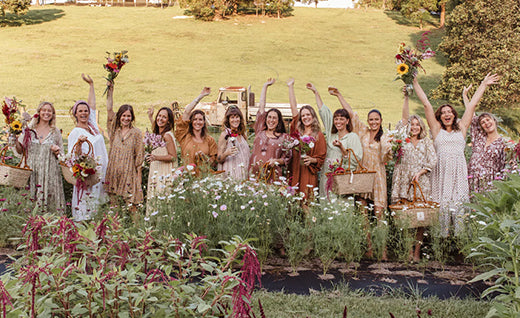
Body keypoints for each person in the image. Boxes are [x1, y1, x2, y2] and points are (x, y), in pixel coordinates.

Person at [413, 73, 500, 236]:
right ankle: (441, 244)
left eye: (449, 112)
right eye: (443, 112)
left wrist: (483, 85)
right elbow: (426, 105)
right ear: (440, 116)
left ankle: (460, 244)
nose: (447, 114)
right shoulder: (436, 130)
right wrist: (415, 82)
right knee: (442, 206)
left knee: (460, 206)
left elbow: (472, 105)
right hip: (441, 173)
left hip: (459, 173)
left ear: (454, 115)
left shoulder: (462, 128)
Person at [329, 87, 392, 217]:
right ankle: (366, 237)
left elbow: (386, 156)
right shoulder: (364, 132)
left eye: (376, 119)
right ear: (368, 121)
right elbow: (351, 115)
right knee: (362, 209)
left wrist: (391, 147)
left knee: (379, 210)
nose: (373, 122)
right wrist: (339, 95)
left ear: (381, 120)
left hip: (377, 175)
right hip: (362, 173)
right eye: (371, 119)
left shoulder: (384, 137)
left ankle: (380, 236)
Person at [390, 89, 437, 262]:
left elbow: (433, 159)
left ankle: (417, 251)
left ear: (421, 127)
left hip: (420, 181)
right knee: (406, 217)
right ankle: (407, 251)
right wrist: (406, 97)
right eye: (412, 124)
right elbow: (404, 118)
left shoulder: (426, 141)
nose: (414, 127)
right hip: (404, 180)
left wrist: (421, 172)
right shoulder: (403, 139)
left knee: (420, 217)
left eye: (417, 124)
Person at [307, 83, 363, 198]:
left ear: (347, 121)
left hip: (343, 178)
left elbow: (356, 159)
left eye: (341, 119)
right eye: (336, 119)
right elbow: (324, 112)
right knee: (326, 203)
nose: (338, 122)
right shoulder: (331, 134)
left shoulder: (353, 137)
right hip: (327, 176)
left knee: (340, 206)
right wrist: (315, 92)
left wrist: (342, 148)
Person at [67, 74, 108, 221]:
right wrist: (79, 143)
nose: (84, 113)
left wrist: (91, 84)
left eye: (86, 111)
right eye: (80, 111)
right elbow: (73, 156)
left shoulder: (92, 127)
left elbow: (92, 105)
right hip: (87, 176)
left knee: (98, 207)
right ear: (75, 115)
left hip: (99, 175)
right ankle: (82, 231)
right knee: (86, 204)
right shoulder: (76, 132)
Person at [14, 102, 65, 213]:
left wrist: (57, 152)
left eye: (49, 111)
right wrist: (15, 138)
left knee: (49, 201)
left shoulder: (55, 132)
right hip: (31, 171)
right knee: (30, 198)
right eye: (44, 110)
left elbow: (62, 156)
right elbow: (20, 150)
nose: (46, 113)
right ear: (39, 112)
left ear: (53, 114)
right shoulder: (29, 130)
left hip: (49, 172)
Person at [104, 83, 144, 210]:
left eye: (128, 116)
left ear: (132, 117)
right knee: (114, 205)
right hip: (114, 171)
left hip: (129, 172)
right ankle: (115, 228)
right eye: (124, 115)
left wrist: (138, 179)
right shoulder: (114, 131)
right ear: (119, 116)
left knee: (133, 205)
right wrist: (110, 90)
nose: (126, 118)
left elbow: (139, 156)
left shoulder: (136, 133)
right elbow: (109, 110)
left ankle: (136, 229)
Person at [287, 78, 327, 200]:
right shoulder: (297, 131)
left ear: (313, 116)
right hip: (295, 169)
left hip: (308, 172)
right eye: (303, 115)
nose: (305, 117)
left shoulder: (318, 135)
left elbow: (321, 157)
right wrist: (290, 87)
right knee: (293, 202)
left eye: (308, 114)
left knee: (307, 202)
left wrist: (312, 159)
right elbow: (293, 109)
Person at [463, 87, 505, 194]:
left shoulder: (503, 143)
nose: (486, 123)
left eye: (488, 120)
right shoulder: (479, 137)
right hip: (471, 179)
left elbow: (504, 166)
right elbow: (471, 113)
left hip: (488, 183)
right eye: (482, 122)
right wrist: (465, 96)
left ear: (494, 121)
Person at [249, 78, 292, 182]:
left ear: (279, 121)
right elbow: (261, 108)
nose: (271, 120)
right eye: (269, 117)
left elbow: (287, 158)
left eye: (274, 118)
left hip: (272, 177)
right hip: (254, 176)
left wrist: (276, 161)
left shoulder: (284, 138)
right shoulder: (260, 131)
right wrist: (265, 86)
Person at [174, 87, 217, 168]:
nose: (198, 122)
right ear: (191, 122)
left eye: (200, 120)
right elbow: (187, 112)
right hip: (188, 176)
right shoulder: (184, 136)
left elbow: (213, 161)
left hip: (203, 177)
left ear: (204, 122)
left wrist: (205, 159)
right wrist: (201, 96)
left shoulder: (209, 140)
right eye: (195, 119)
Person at [145, 106, 178, 213]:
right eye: (159, 116)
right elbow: (156, 128)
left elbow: (173, 156)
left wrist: (155, 157)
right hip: (156, 170)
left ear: (169, 121)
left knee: (162, 201)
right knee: (155, 199)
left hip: (164, 172)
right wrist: (150, 117)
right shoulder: (159, 133)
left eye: (164, 117)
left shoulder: (167, 136)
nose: (160, 119)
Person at [217, 106, 250, 180]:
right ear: (228, 120)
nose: (235, 120)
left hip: (243, 174)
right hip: (230, 174)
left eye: (237, 117)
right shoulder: (224, 135)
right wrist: (226, 153)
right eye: (232, 117)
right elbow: (219, 159)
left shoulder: (242, 134)